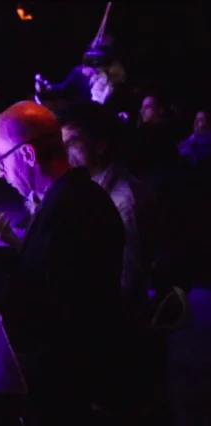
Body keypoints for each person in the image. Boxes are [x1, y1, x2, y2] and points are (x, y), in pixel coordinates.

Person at [0, 101, 127, 425]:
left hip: (67, 368)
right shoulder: (69, 194)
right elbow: (38, 264)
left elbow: (45, 305)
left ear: (28, 155)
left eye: (0, 160)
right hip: (63, 349)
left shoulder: (75, 209)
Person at [57, 101, 158, 313]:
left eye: (72, 142)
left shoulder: (123, 202)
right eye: (61, 144)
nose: (63, 152)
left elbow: (126, 285)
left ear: (100, 144)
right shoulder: (83, 186)